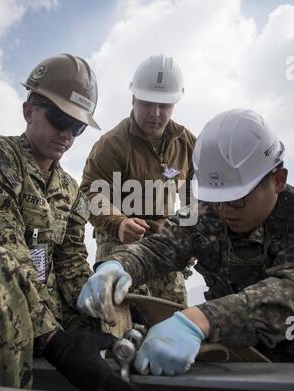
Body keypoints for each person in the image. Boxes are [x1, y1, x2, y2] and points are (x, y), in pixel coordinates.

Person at [77, 108, 294, 375]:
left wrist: (201, 320)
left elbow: (288, 292)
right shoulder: (207, 213)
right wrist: (117, 266)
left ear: (278, 180)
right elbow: (160, 248)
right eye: (215, 198)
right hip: (235, 363)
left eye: (236, 198)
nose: (224, 210)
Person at [0, 53, 133, 391]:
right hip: (5, 313)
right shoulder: (1, 160)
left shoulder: (71, 190)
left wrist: (102, 306)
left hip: (47, 315)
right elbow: (8, 254)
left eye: (77, 127)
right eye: (59, 119)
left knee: (117, 315)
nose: (67, 135)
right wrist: (57, 343)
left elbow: (70, 262)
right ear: (29, 112)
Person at [80, 54, 196, 306]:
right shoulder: (111, 144)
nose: (155, 114)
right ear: (133, 99)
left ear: (175, 103)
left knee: (171, 318)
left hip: (166, 249)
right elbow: (90, 193)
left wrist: (192, 233)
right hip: (118, 246)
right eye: (147, 103)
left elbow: (196, 195)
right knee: (122, 327)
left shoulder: (187, 143)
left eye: (164, 105)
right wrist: (118, 223)